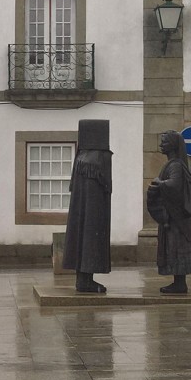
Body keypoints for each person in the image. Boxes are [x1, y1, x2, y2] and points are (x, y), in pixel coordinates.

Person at [63, 119, 112, 293]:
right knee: (90, 242)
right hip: (94, 212)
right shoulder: (100, 158)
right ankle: (87, 281)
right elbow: (105, 186)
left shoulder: (81, 157)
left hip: (80, 212)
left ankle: (82, 279)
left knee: (81, 241)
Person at [147, 130, 191, 293]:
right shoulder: (173, 164)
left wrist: (159, 182)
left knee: (176, 249)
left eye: (164, 141)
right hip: (173, 217)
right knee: (174, 249)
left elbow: (174, 185)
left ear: (172, 145)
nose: (161, 144)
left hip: (175, 218)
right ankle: (178, 282)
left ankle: (180, 283)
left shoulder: (176, 164)